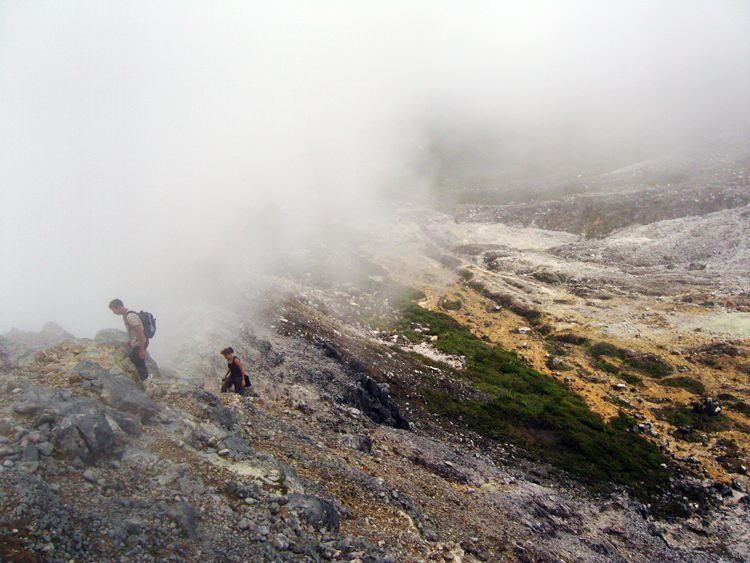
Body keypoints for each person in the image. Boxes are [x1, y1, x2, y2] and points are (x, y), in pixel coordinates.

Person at [109, 299, 150, 381]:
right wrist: (130, 341)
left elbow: (140, 332)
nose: (114, 312)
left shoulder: (130, 317)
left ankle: (146, 381)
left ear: (119, 307)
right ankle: (145, 380)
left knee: (136, 359)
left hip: (140, 342)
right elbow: (133, 331)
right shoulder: (126, 316)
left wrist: (141, 349)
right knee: (137, 360)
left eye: (114, 310)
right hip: (137, 342)